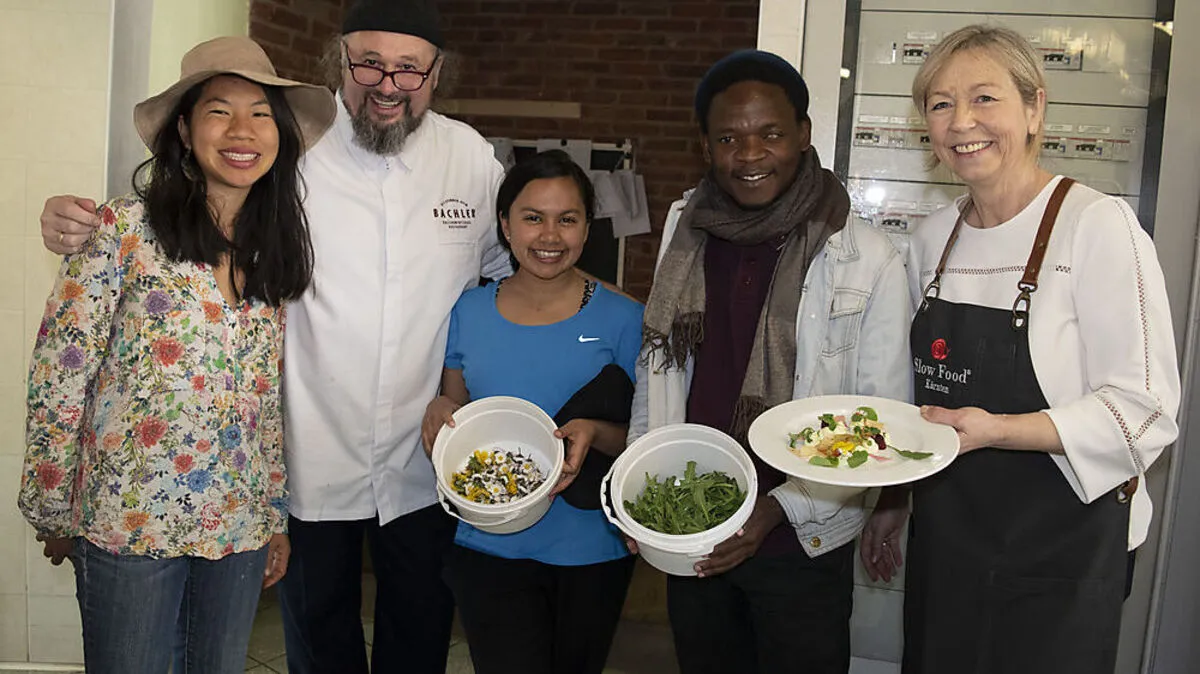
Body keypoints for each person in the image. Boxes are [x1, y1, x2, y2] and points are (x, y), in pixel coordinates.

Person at [37, 1, 510, 672]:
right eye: (369, 62)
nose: (388, 83)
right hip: (306, 455)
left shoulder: (470, 157)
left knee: (421, 630)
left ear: (438, 72)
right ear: (338, 60)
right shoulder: (292, 151)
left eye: (410, 68)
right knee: (317, 642)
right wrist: (72, 221)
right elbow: (185, 208)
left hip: (419, 456)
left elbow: (501, 279)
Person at [859, 25, 1180, 674]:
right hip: (948, 534)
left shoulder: (1096, 225)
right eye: (941, 103)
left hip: (1060, 548)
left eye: (985, 98)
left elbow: (1144, 411)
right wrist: (891, 504)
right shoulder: (931, 239)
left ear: (1034, 107)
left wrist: (998, 429)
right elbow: (915, 400)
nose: (961, 122)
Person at [19, 36, 335, 672]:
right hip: (129, 519)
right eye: (220, 110)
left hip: (237, 523)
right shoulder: (120, 230)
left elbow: (263, 401)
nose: (242, 130)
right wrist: (50, 505)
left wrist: (273, 515)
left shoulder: (269, 248)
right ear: (185, 131)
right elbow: (61, 373)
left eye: (261, 113)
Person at [628, 50, 911, 674]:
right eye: (729, 137)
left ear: (803, 135)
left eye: (771, 134)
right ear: (705, 145)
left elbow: (878, 421)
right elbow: (659, 373)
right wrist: (637, 487)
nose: (750, 155)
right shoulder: (687, 229)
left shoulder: (866, 257)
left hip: (802, 538)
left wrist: (778, 509)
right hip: (695, 518)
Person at [420, 149, 643, 674]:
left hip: (591, 546)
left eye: (567, 219)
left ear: (587, 228)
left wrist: (594, 431)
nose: (549, 236)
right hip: (487, 539)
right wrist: (440, 407)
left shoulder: (624, 317)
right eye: (532, 218)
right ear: (504, 224)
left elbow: (645, 435)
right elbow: (459, 409)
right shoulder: (468, 311)